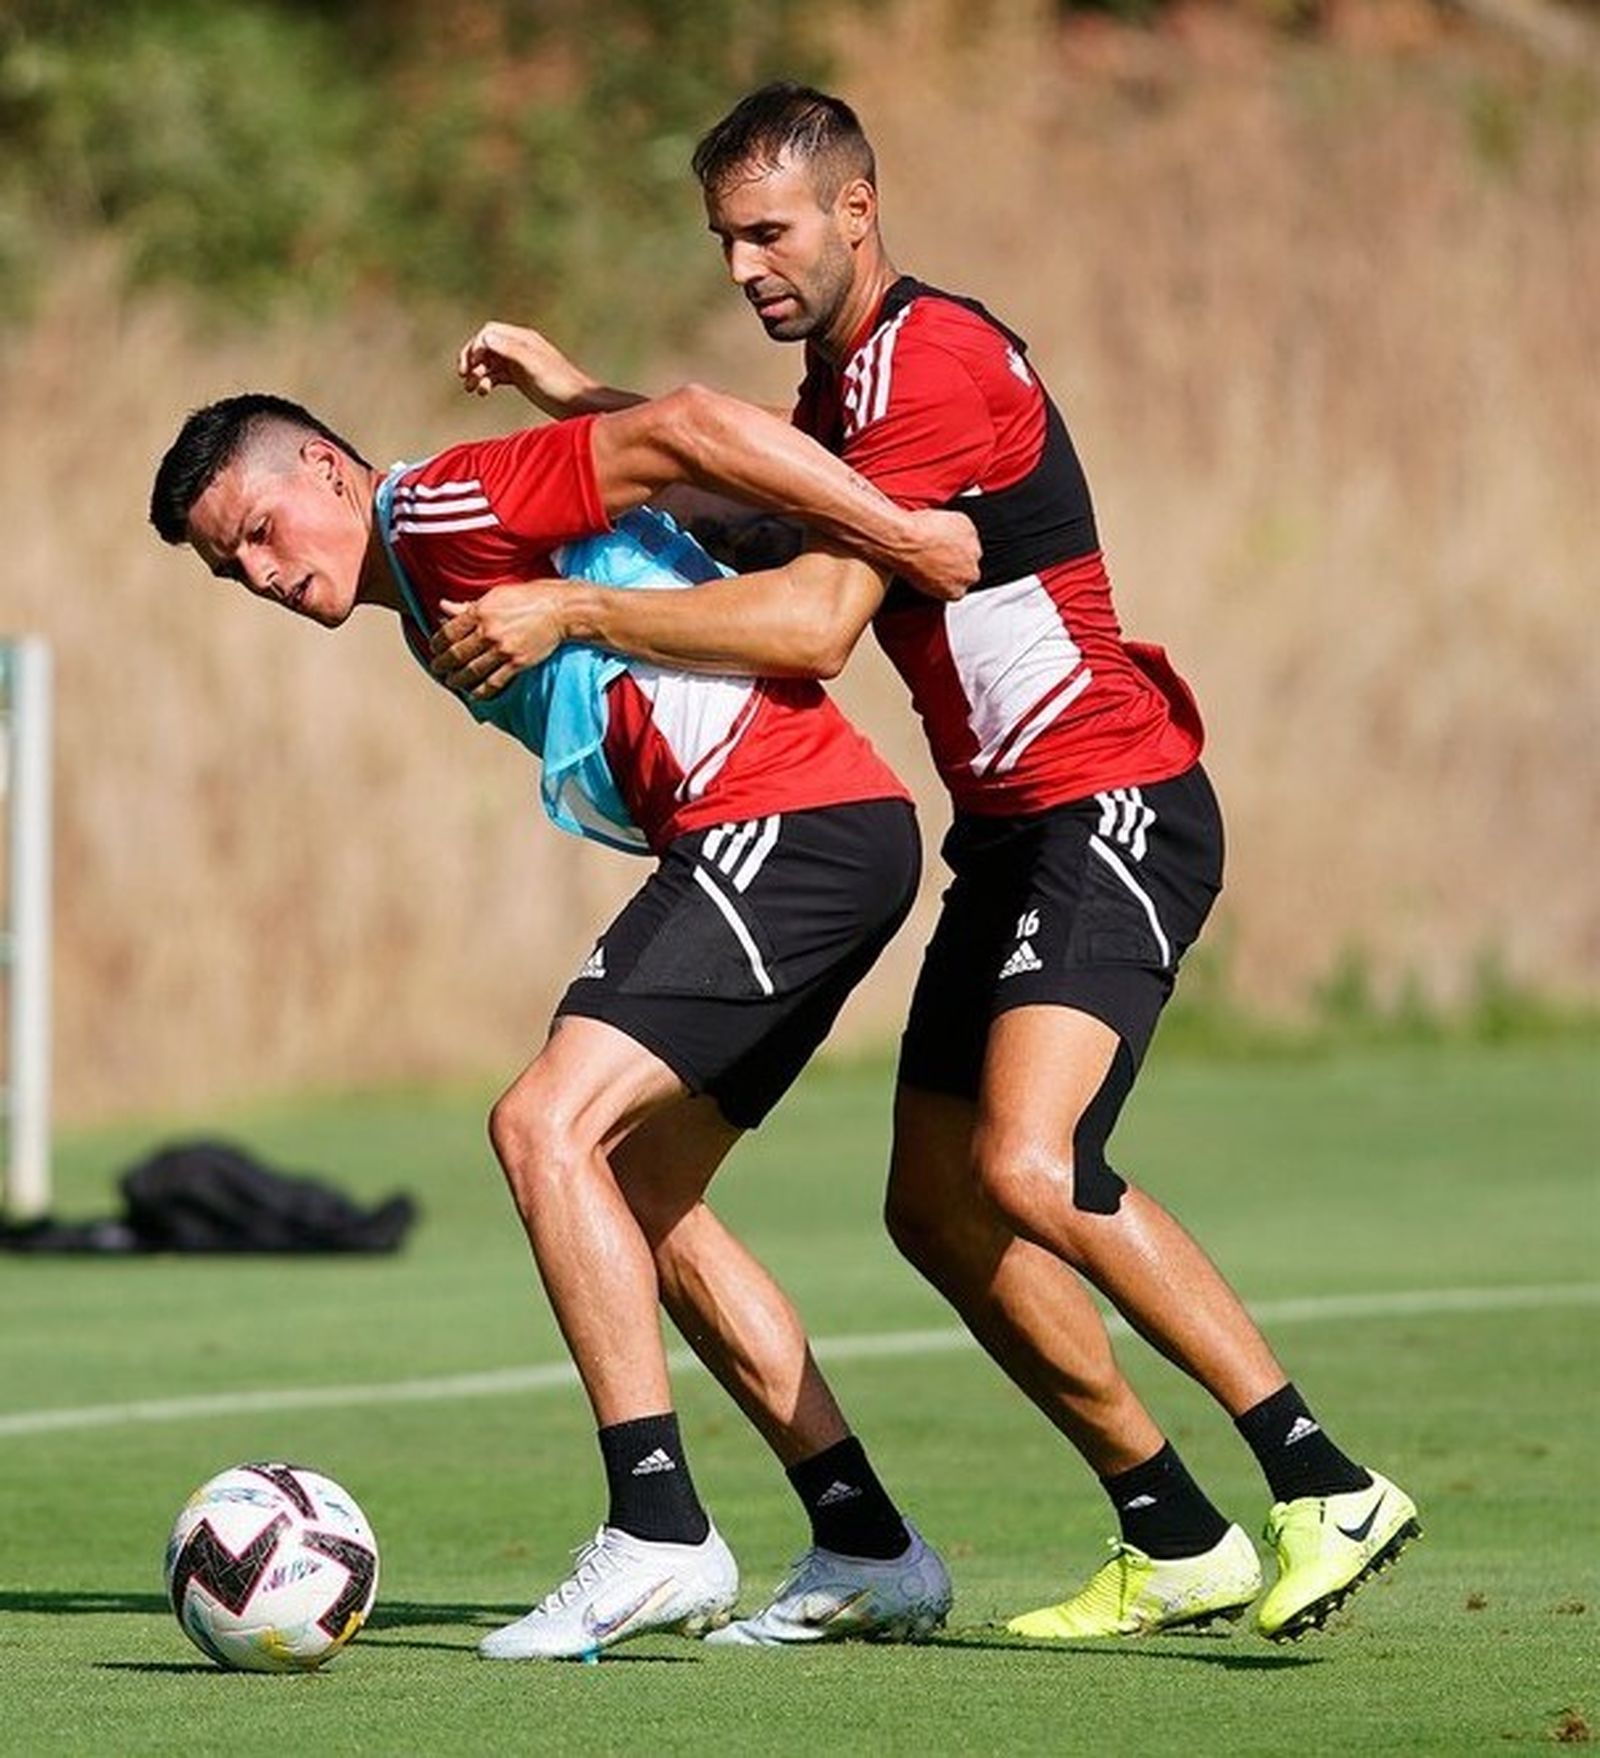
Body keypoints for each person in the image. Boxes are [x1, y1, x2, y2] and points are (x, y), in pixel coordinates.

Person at [429, 82, 1420, 1645]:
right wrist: (585, 396)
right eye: (724, 239)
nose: (747, 263)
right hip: (1013, 834)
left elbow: (821, 613)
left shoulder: (934, 362)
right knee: (938, 1209)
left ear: (857, 211)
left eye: (770, 230)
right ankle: (1172, 1529)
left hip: (1116, 800)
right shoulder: (839, 394)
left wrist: (573, 609)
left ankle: (1326, 1477)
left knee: (1029, 1162)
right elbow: (760, 486)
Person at [148, 381, 974, 1657]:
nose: (256, 572)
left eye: (259, 530)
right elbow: (683, 511)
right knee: (642, 1192)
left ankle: (658, 1532)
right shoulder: (424, 602)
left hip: (781, 827)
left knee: (541, 1126)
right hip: (795, 838)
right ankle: (867, 1543)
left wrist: (894, 528)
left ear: (324, 467)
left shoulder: (431, 510)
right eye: (227, 568)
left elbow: (681, 429)